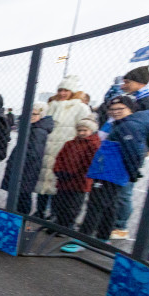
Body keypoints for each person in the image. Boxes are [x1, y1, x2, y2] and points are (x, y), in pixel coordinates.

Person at [80, 95, 149, 241]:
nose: (115, 111)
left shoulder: (128, 126)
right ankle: (103, 237)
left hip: (109, 172)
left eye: (120, 108)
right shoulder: (121, 124)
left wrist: (132, 172)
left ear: (131, 109)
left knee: (95, 205)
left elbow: (133, 152)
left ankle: (83, 238)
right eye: (112, 109)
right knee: (109, 206)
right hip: (109, 172)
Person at [108, 66, 149, 240]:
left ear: (140, 83)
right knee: (112, 188)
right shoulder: (127, 99)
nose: (124, 85)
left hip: (133, 150)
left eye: (127, 82)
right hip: (117, 148)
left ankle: (121, 226)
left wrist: (148, 148)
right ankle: (111, 221)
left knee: (124, 189)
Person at [34, 75, 91, 219]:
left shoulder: (81, 108)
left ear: (73, 92)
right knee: (42, 181)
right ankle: (40, 211)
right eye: (60, 90)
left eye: (66, 90)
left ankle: (54, 213)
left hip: (65, 151)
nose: (62, 93)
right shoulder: (51, 106)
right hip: (47, 149)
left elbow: (85, 129)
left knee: (57, 183)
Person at [1, 102, 54, 214]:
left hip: (26, 169)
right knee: (19, 195)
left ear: (41, 115)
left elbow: (34, 152)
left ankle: (21, 219)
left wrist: (18, 162)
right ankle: (17, 217)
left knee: (23, 196)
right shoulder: (32, 128)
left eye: (35, 114)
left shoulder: (38, 130)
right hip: (24, 167)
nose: (31, 116)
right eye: (30, 113)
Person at [52, 118, 100, 228]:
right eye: (79, 130)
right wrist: (58, 170)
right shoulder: (70, 143)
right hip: (64, 178)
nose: (81, 133)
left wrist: (74, 173)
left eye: (84, 130)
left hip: (80, 181)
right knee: (59, 202)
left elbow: (89, 163)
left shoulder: (94, 145)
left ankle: (67, 226)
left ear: (91, 130)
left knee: (72, 205)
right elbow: (60, 158)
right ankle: (58, 224)